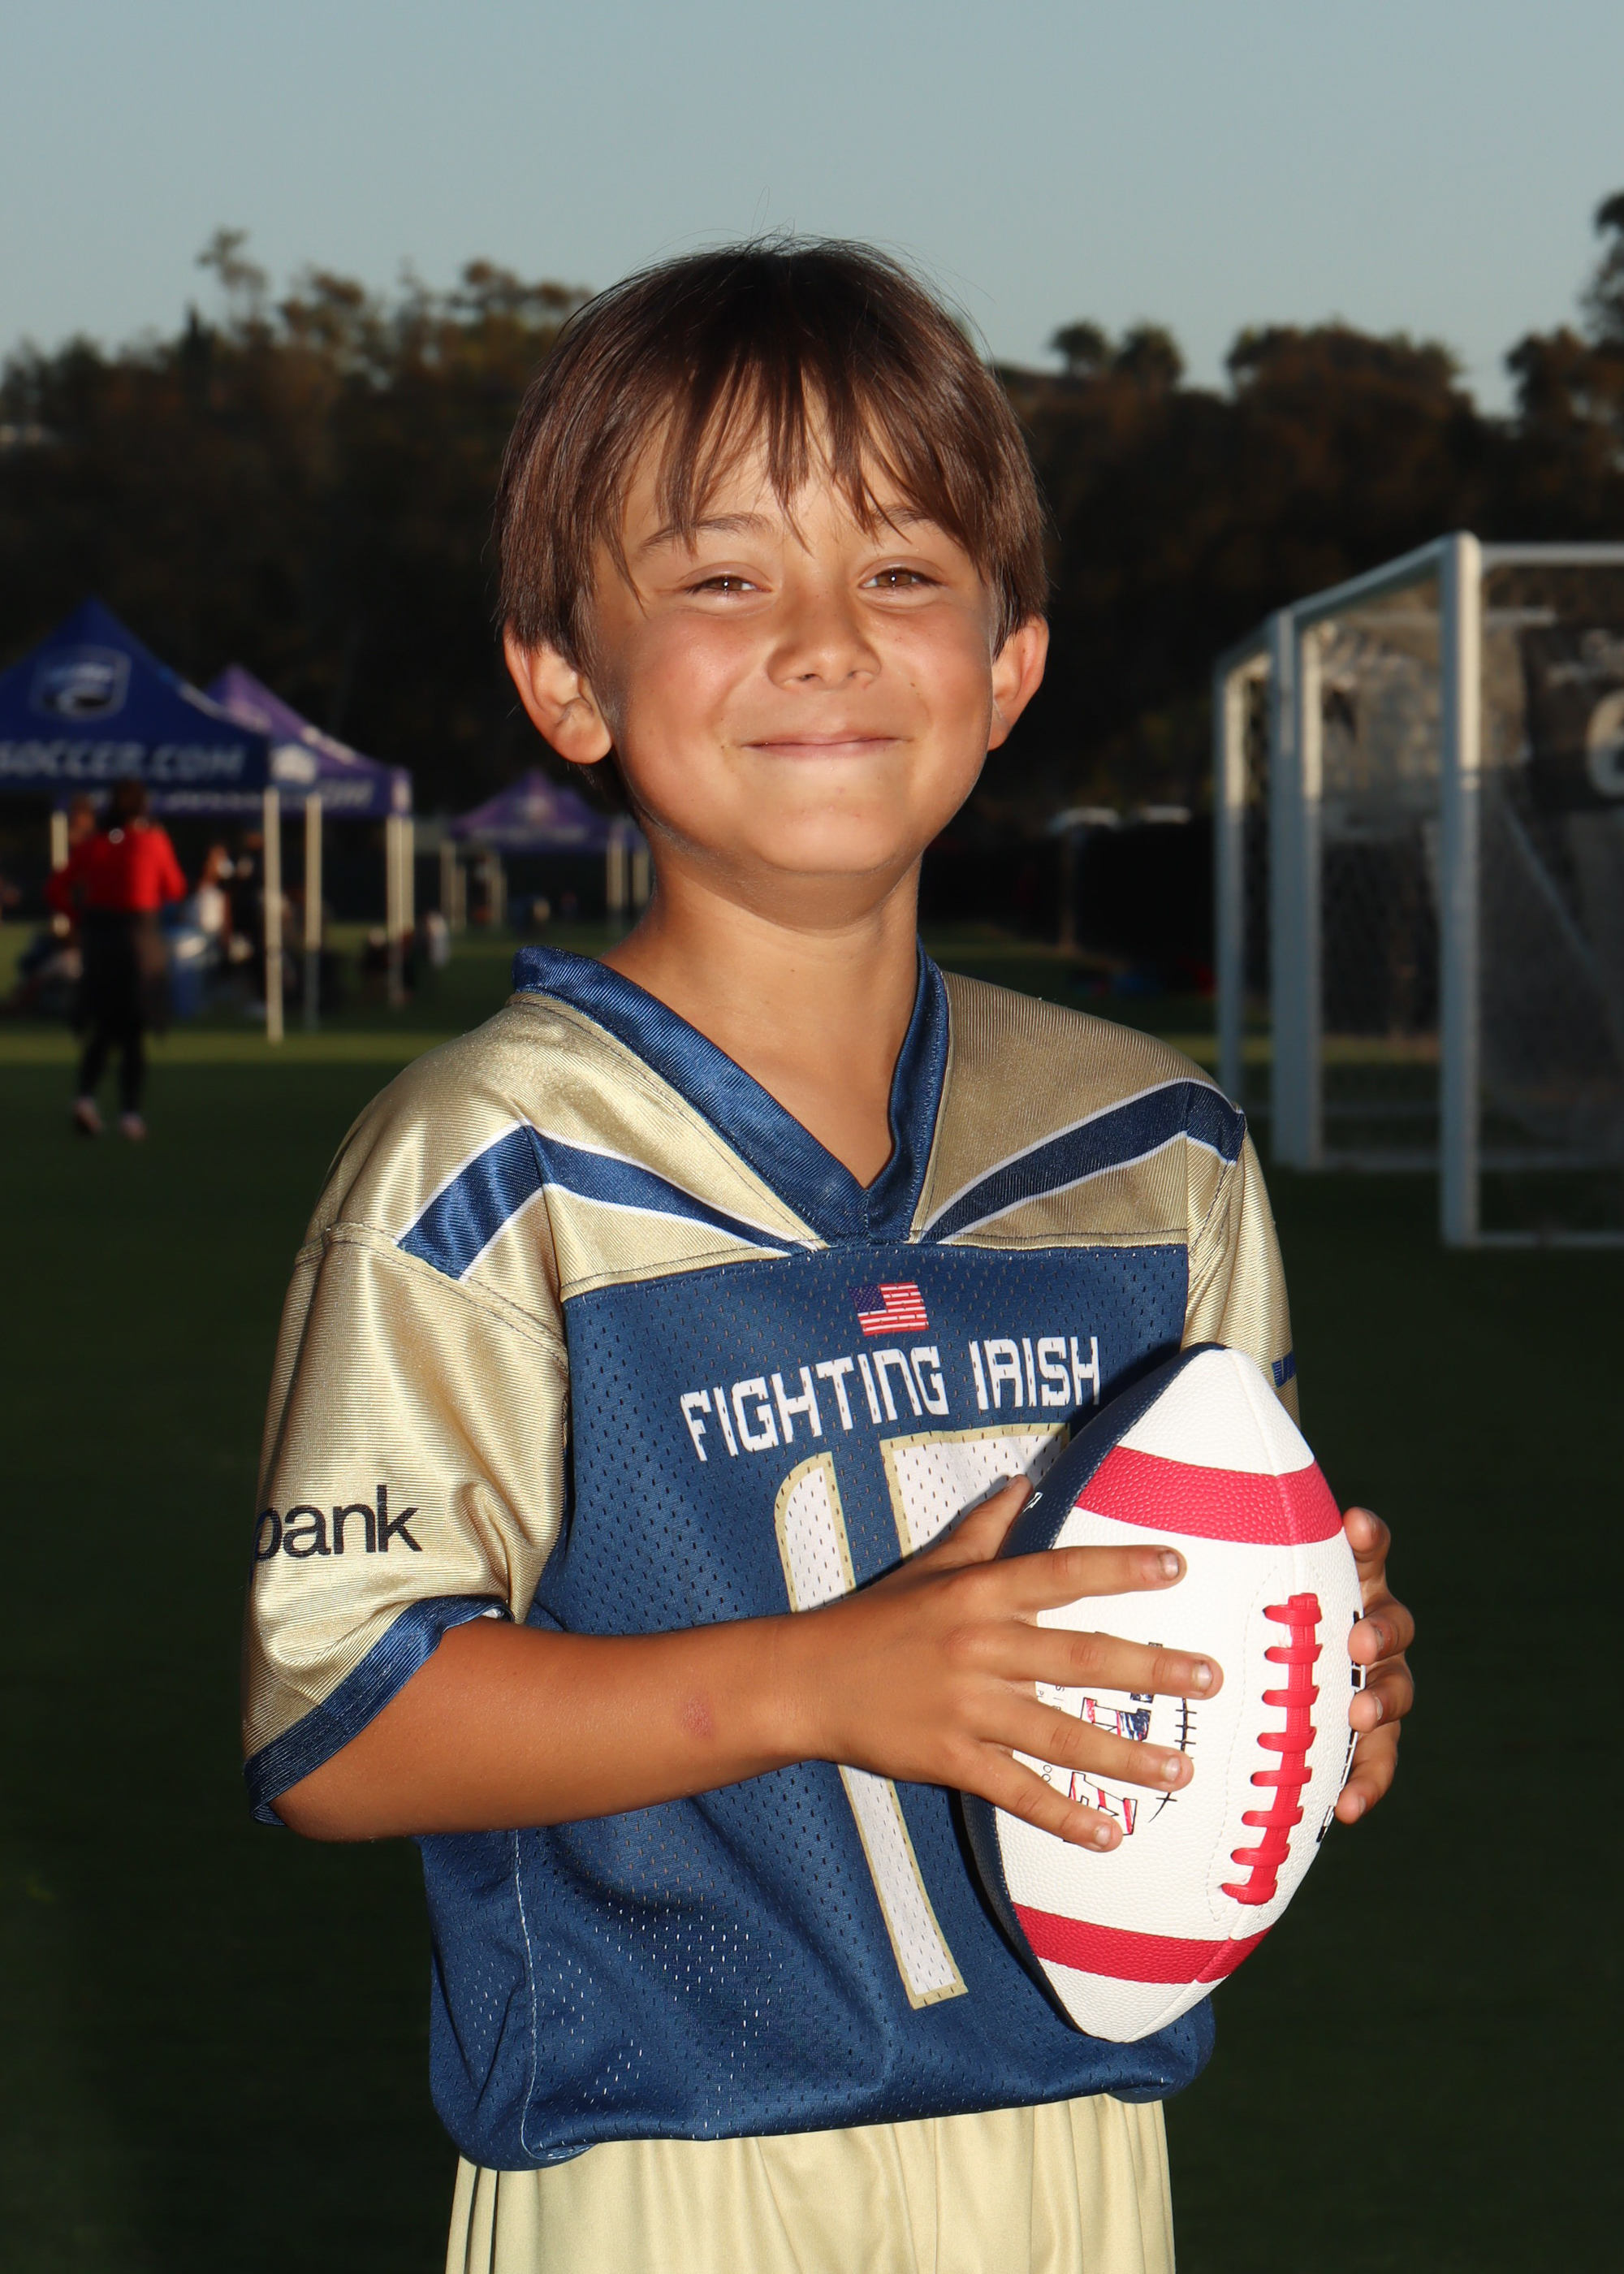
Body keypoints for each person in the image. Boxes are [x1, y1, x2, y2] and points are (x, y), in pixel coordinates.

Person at [243, 244, 1415, 2274]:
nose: (820, 641)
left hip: (1073, 2155)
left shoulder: (1156, 1155)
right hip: (664, 2175)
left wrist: (1311, 1694)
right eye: (721, 576)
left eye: (897, 571)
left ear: (1007, 663)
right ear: (565, 678)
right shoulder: (490, 1163)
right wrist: (824, 1682)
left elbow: (1202, 1625)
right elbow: (335, 1719)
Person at [48, 779, 186, 1138]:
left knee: (105, 1025)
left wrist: (80, 918)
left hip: (99, 943)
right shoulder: (151, 841)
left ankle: (85, 1098)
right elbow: (174, 887)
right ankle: (129, 1113)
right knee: (132, 1031)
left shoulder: (95, 843)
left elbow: (56, 889)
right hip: (138, 942)